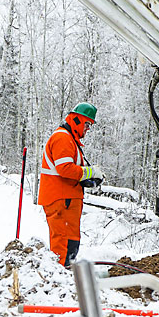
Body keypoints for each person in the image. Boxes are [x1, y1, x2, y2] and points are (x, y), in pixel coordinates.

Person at [37, 102, 102, 267]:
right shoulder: (63, 138)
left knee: (70, 244)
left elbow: (71, 170)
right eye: (87, 123)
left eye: (90, 125)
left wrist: (86, 177)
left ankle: (64, 277)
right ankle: (59, 280)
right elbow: (65, 169)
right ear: (76, 119)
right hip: (61, 200)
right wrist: (90, 172)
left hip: (67, 200)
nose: (88, 128)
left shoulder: (70, 140)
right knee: (63, 245)